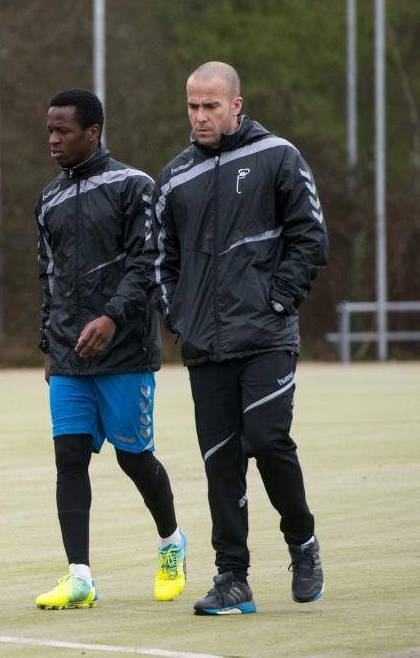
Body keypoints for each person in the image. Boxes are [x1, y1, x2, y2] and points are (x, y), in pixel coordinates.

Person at [151, 62, 327, 615]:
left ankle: (302, 542)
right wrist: (179, 316)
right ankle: (232, 578)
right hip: (205, 345)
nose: (200, 116)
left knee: (268, 441)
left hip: (267, 335)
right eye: (192, 106)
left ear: (236, 105)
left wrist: (278, 298)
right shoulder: (175, 177)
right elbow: (161, 260)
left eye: (211, 106)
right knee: (221, 462)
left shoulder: (278, 156)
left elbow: (310, 237)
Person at [33, 88, 187, 610]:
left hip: (124, 352)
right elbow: (46, 276)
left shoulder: (133, 186)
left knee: (133, 458)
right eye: (50, 130)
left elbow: (148, 265)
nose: (53, 139)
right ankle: (80, 575)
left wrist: (111, 318)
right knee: (69, 458)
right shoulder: (48, 198)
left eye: (63, 131)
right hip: (68, 356)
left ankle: (171, 543)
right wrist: (47, 344)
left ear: (92, 132)